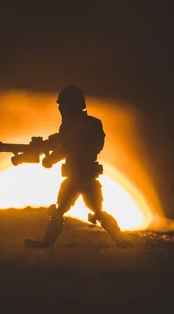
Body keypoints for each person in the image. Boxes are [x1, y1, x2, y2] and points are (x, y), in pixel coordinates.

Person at [24, 86, 133, 248]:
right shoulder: (68, 127)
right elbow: (63, 145)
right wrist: (45, 149)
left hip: (86, 176)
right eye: (60, 106)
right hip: (73, 177)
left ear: (74, 104)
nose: (61, 109)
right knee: (59, 211)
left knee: (97, 211)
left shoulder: (91, 125)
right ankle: (47, 241)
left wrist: (53, 157)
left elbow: (81, 147)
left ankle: (120, 240)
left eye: (64, 105)